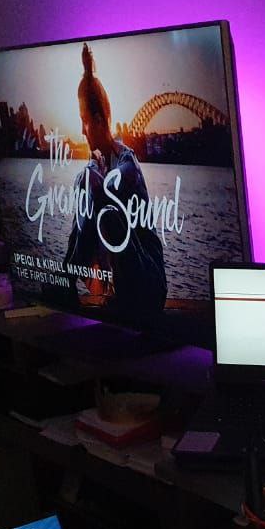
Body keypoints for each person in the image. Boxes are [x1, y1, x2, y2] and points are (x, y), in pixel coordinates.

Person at [63, 43, 166, 321]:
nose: (82, 130)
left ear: (98, 120)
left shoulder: (127, 167)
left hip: (147, 288)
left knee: (96, 193)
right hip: (122, 290)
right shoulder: (95, 168)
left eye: (84, 121)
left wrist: (90, 183)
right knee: (87, 185)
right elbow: (81, 227)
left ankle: (64, 287)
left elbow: (106, 193)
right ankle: (63, 286)